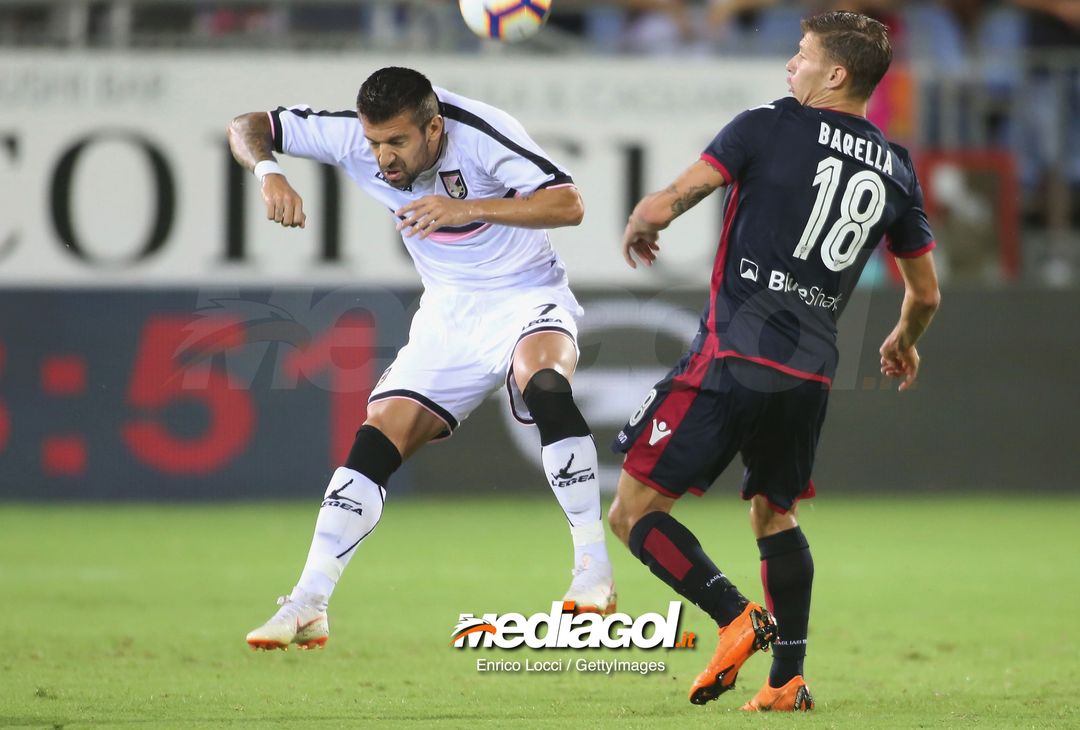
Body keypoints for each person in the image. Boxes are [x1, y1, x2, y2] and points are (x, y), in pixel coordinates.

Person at [607, 10, 940, 711]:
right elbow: (927, 293)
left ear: (836, 74)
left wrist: (646, 215)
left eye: (802, 54)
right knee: (773, 513)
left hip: (733, 355)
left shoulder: (769, 123)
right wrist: (902, 340)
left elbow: (677, 197)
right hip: (811, 371)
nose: (791, 65)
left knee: (633, 513)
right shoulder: (898, 168)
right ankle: (788, 680)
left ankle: (733, 616)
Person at [227, 66, 616, 650]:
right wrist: (270, 173)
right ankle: (308, 602)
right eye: (374, 142)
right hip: (448, 316)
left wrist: (469, 208)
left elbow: (569, 203)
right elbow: (246, 124)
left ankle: (593, 571)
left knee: (546, 384)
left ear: (434, 128)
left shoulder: (482, 133)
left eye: (398, 142)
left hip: (526, 293)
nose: (383, 158)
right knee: (377, 437)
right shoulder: (356, 139)